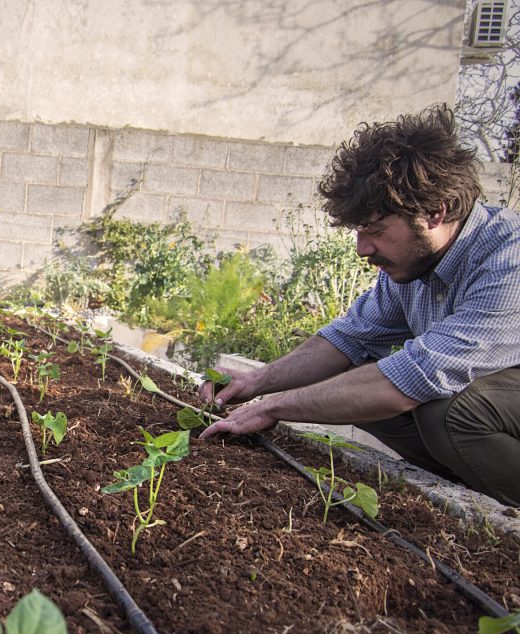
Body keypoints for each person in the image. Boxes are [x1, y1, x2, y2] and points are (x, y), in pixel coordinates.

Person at [199, 106, 520, 506]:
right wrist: (257, 382)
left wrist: (275, 407)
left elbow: (411, 378)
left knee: (450, 414)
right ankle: (458, 493)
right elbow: (347, 340)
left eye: (376, 231)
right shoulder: (413, 266)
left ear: (435, 212)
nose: (362, 249)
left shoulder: (508, 261)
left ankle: (500, 514)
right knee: (350, 380)